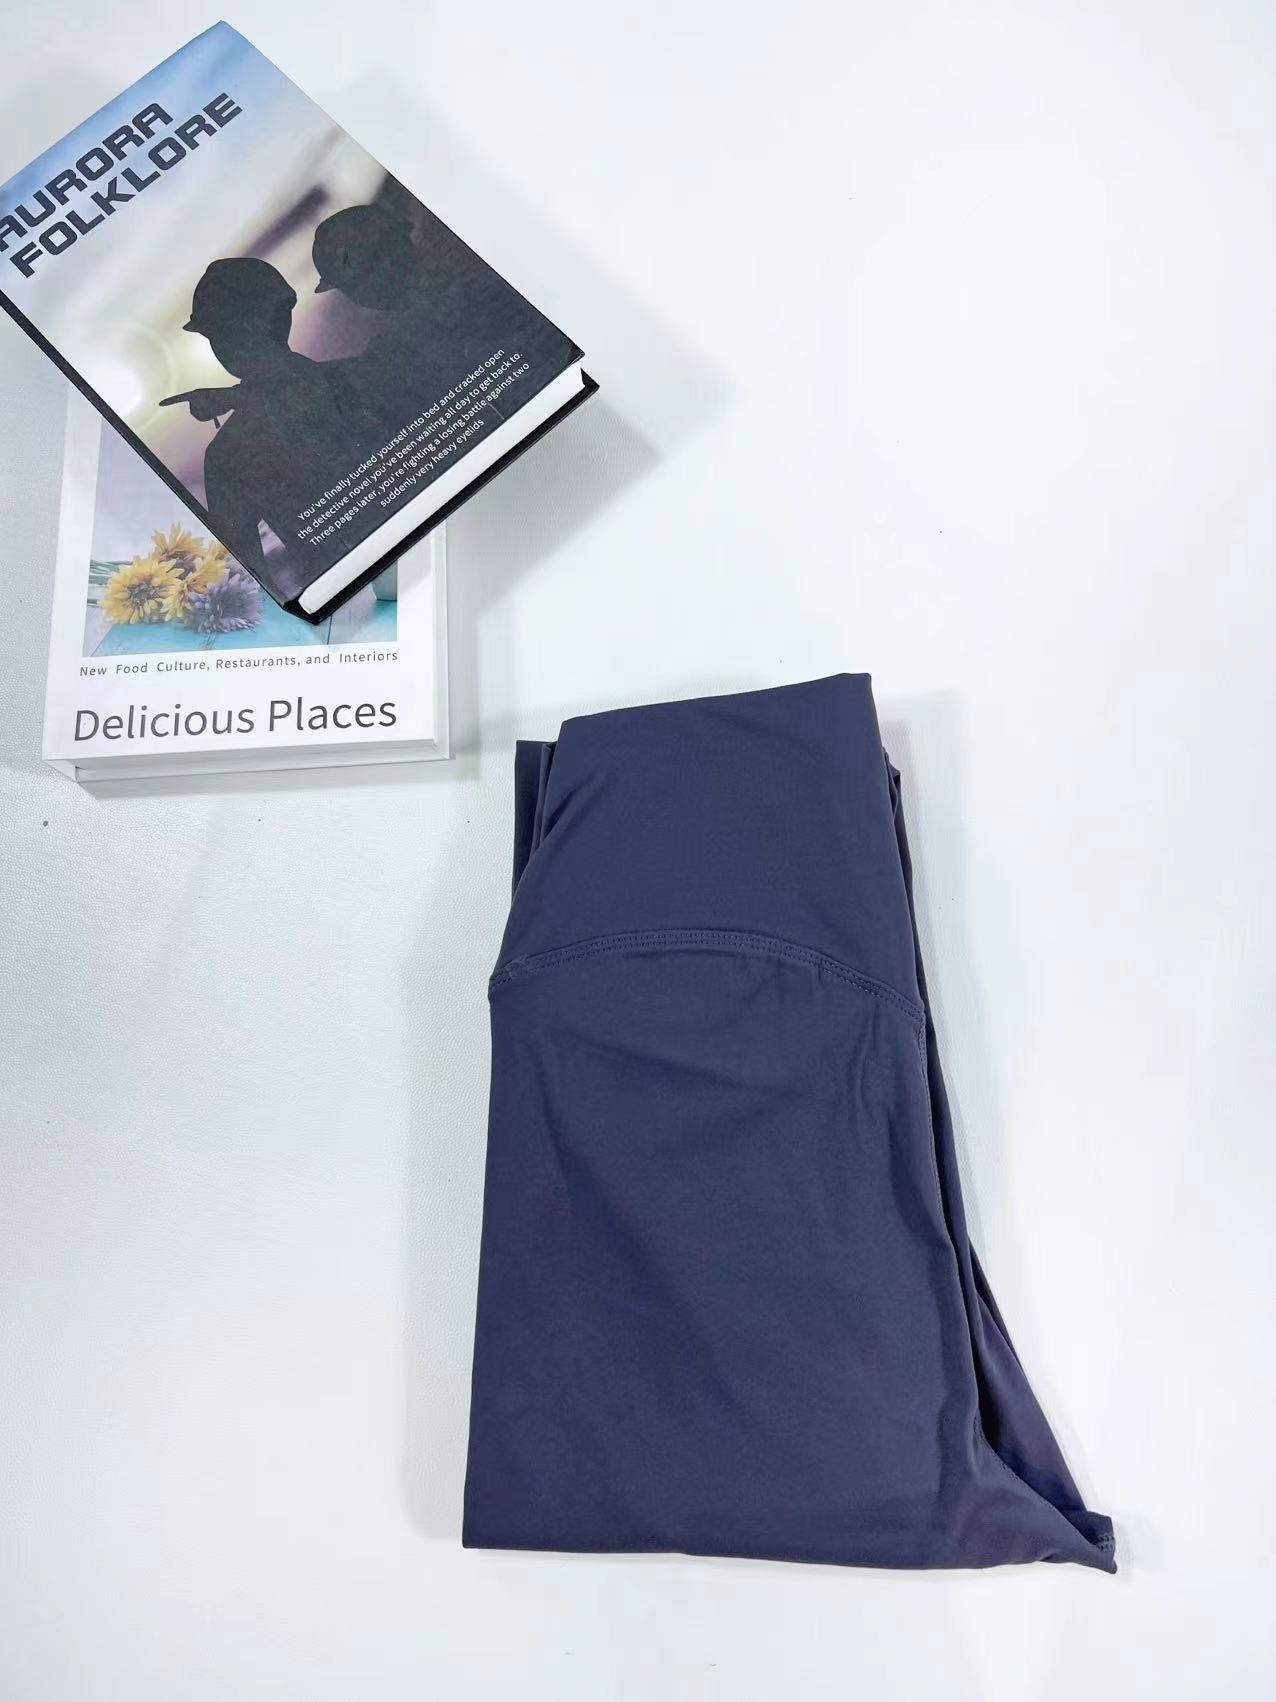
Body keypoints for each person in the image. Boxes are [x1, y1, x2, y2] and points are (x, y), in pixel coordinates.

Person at [163, 257, 376, 600]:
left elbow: (245, 581)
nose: (220, 346)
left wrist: (239, 396)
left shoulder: (227, 455)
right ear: (282, 314)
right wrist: (241, 396)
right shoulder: (358, 377)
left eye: (219, 334)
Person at [311, 201, 554, 434]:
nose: (360, 292)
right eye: (352, 284)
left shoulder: (476, 291)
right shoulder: (393, 351)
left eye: (357, 281)